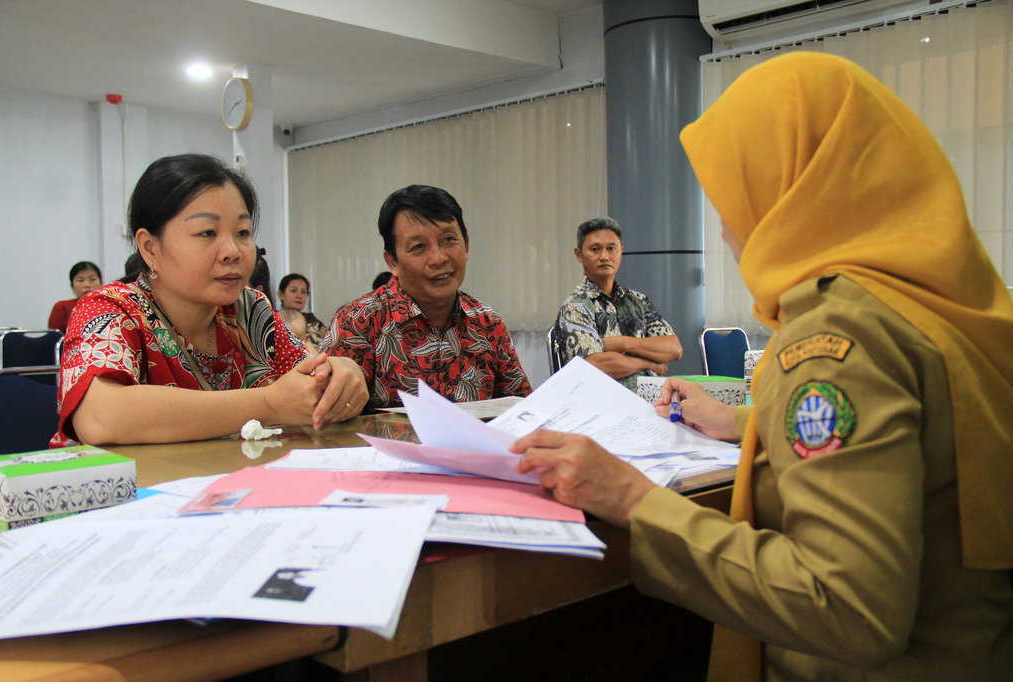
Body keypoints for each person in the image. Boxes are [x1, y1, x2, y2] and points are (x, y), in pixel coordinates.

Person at [510, 53, 1013, 681]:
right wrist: (747, 420)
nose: (725, 229)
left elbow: (846, 608)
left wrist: (634, 499)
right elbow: (922, 433)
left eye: (737, 193)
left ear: (793, 188)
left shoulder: (837, 336)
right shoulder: (933, 296)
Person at [52, 153, 368, 447]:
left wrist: (340, 374)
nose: (233, 251)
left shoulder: (250, 310)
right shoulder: (110, 309)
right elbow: (101, 417)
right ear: (149, 248)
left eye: (243, 233)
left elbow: (307, 385)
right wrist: (269, 404)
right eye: (207, 233)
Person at [322, 184, 532, 408]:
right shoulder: (357, 323)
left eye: (449, 240)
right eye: (418, 246)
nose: (438, 258)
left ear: (467, 245)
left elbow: (521, 408)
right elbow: (329, 419)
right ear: (393, 261)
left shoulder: (488, 323)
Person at [553, 217, 682, 392]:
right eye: (595, 249)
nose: (604, 256)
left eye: (611, 249)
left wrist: (621, 343)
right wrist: (648, 362)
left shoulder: (638, 300)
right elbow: (596, 366)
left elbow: (674, 349)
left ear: (621, 251)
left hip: (653, 403)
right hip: (603, 406)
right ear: (579, 254)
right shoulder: (576, 307)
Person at [277, 274, 327, 349]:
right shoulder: (274, 321)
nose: (299, 296)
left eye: (303, 292)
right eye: (293, 291)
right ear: (281, 294)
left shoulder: (315, 323)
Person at [48, 261, 102, 331]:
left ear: (101, 284)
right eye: (80, 280)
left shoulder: (111, 306)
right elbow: (54, 338)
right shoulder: (61, 308)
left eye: (92, 279)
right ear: (72, 286)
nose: (87, 285)